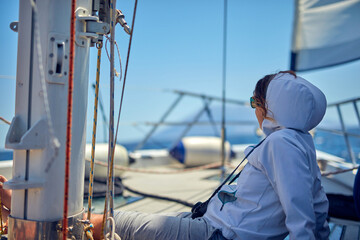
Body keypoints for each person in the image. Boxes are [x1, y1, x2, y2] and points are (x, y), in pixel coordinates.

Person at [0, 70, 330, 240]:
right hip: (212, 226)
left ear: (271, 107)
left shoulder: (280, 144)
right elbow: (317, 206)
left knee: (122, 223)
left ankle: (26, 220)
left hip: (215, 235)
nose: (255, 111)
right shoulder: (301, 142)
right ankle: (19, 211)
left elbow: (301, 215)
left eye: (255, 103)